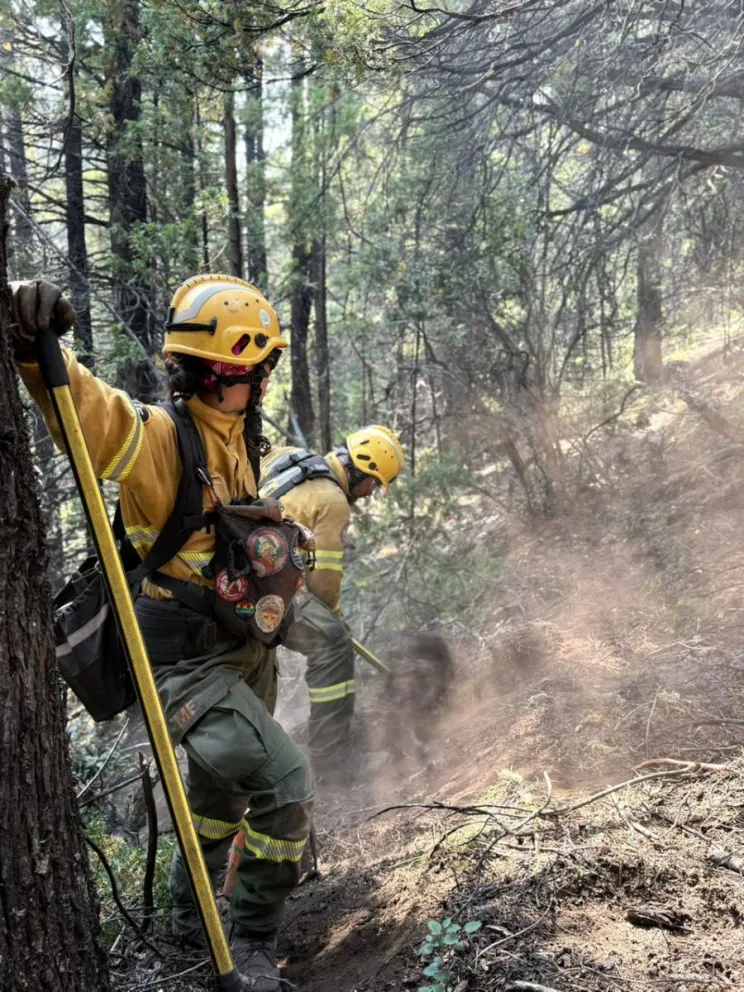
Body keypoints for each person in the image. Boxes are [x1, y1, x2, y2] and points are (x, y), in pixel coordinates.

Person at [9, 274, 314, 992]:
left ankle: (186, 921)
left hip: (241, 651)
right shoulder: (160, 441)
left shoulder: (237, 432)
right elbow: (92, 415)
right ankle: (254, 938)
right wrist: (33, 343)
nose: (265, 382)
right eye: (259, 369)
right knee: (286, 782)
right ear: (230, 371)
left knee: (218, 799)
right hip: (185, 664)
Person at [260, 427, 405, 785]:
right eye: (373, 484)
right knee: (333, 644)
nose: (370, 494)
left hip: (239, 568)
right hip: (261, 589)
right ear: (360, 469)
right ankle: (332, 759)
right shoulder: (333, 502)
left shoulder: (288, 456)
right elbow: (323, 581)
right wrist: (333, 619)